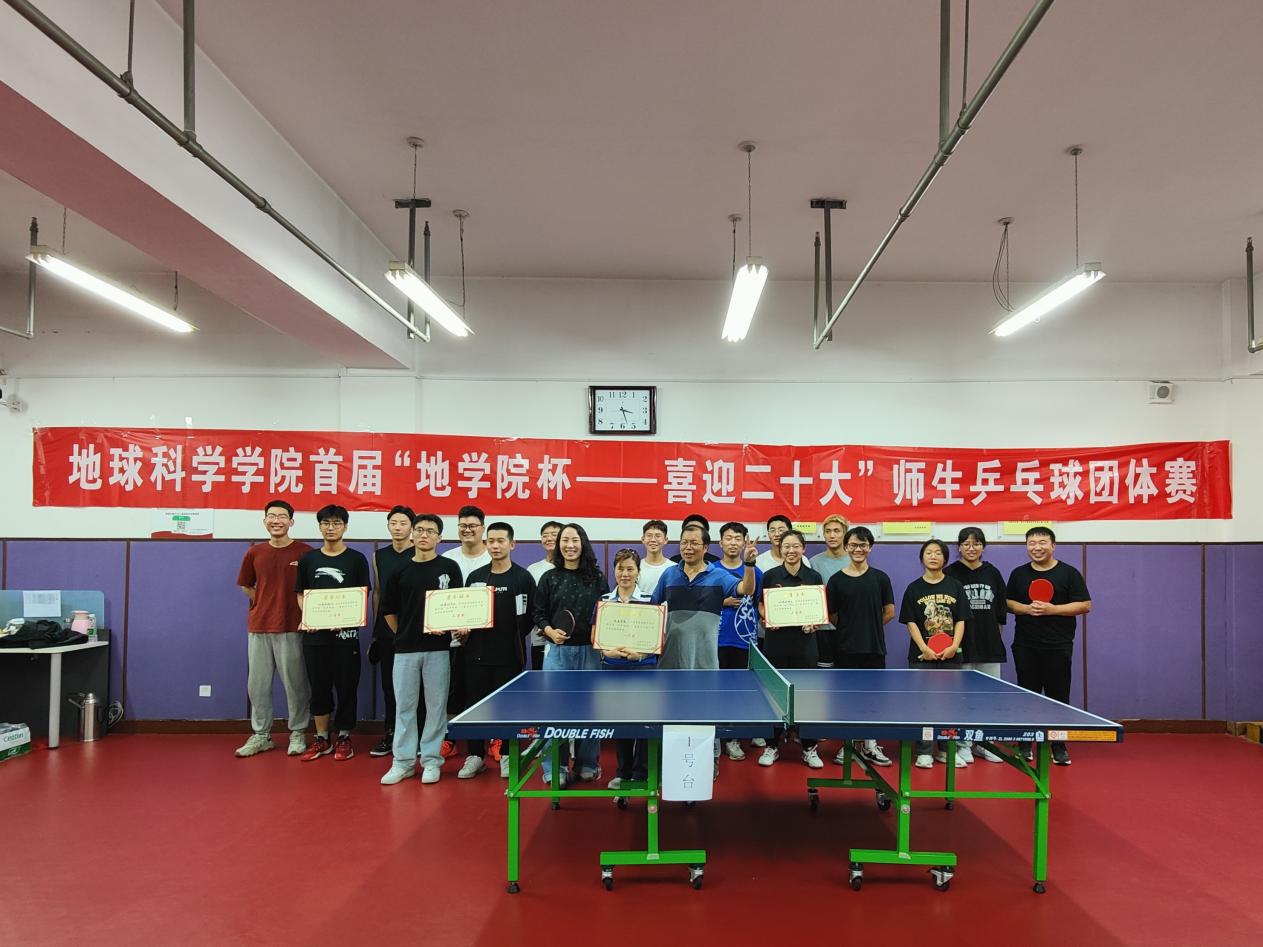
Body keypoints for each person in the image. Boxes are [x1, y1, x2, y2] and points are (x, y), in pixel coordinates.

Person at [379, 513, 464, 785]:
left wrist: (450, 626)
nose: (424, 535)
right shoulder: (399, 570)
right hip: (405, 650)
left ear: (439, 537)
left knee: (436, 707)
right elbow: (389, 611)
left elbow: (457, 605)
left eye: (430, 531)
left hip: (439, 649)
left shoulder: (450, 567)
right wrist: (404, 634)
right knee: (404, 707)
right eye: (419, 530)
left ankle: (431, 761)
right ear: (412, 534)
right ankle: (402, 762)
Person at [1005, 527, 1092, 766]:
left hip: (1058, 645)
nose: (1037, 547)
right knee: (1026, 695)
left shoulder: (1069, 573)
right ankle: (1024, 743)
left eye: (1042, 542)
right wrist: (1025, 608)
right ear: (1027, 546)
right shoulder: (1019, 574)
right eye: (1032, 543)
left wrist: (1053, 610)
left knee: (1058, 697)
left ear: (1053, 545)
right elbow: (1008, 602)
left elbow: (1085, 605)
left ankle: (1058, 745)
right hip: (1025, 645)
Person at [234, 499, 312, 758]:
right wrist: (262, 602)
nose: (276, 521)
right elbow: (245, 585)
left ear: (291, 521)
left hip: (292, 627)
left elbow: (312, 591)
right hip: (259, 627)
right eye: (272, 516)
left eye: (282, 516)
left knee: (296, 685)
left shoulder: (305, 552)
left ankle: (298, 732)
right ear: (264, 521)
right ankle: (261, 735)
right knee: (257, 686)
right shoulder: (255, 552)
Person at [533, 523, 609, 784]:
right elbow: (538, 612)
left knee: (591, 709)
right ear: (558, 545)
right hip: (558, 652)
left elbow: (605, 612)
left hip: (590, 652)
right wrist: (549, 631)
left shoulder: (597, 577)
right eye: (564, 540)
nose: (569, 545)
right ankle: (555, 767)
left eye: (574, 540)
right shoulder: (549, 578)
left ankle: (588, 762)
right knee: (555, 711)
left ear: (583, 543)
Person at [294, 505, 371, 762]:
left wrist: (345, 619)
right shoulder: (308, 559)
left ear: (345, 527)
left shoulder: (356, 559)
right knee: (319, 687)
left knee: (346, 686)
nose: (331, 528)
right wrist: (310, 617)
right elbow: (301, 594)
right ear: (319, 526)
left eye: (336, 523)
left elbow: (362, 595)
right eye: (326, 523)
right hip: (315, 637)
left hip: (345, 637)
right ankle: (321, 738)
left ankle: (344, 737)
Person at [461, 522, 536, 779]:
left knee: (509, 708)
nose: (495, 545)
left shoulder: (523, 578)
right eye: (490, 541)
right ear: (485, 544)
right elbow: (466, 613)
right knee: (475, 707)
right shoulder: (476, 577)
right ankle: (475, 756)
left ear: (512, 544)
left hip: (510, 656)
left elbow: (530, 616)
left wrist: (513, 639)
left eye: (500, 541)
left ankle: (506, 754)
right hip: (476, 655)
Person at [825, 526, 895, 767]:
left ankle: (869, 744)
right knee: (847, 699)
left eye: (863, 545)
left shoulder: (881, 578)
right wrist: (850, 629)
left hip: (874, 648)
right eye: (853, 545)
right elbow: (832, 614)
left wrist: (869, 626)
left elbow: (889, 612)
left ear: (870, 548)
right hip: (845, 648)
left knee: (872, 699)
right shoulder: (836, 580)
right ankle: (847, 746)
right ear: (846, 547)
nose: (858, 549)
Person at [899, 538, 971, 769]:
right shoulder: (914, 588)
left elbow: (961, 620)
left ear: (945, 558)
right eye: (929, 552)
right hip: (922, 656)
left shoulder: (955, 586)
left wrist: (953, 646)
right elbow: (910, 622)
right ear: (922, 557)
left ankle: (947, 750)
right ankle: (924, 751)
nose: (933, 556)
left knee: (949, 704)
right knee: (923, 703)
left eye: (938, 553)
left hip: (951, 655)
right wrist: (924, 648)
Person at [758, 530, 825, 769]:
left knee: (807, 696)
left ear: (803, 548)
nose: (791, 550)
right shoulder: (770, 576)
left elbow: (819, 610)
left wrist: (815, 622)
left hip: (805, 646)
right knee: (774, 696)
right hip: (776, 644)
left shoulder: (814, 576)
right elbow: (761, 605)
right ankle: (771, 745)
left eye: (795, 546)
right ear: (780, 548)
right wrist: (768, 617)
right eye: (786, 546)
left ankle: (809, 747)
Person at [652, 522, 756, 670]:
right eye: (684, 543)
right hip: (670, 660)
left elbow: (747, 589)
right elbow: (652, 607)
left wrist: (749, 564)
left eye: (694, 543)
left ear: (705, 547)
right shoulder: (669, 574)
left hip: (705, 663)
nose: (688, 547)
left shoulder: (719, 576)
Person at [944, 527, 1009, 763]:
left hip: (989, 647)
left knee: (988, 698)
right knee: (961, 698)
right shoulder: (950, 573)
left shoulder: (993, 573)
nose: (971, 548)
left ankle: (985, 743)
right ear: (959, 547)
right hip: (960, 647)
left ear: (983, 547)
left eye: (976, 544)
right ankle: (963, 744)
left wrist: (993, 640)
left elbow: (1000, 615)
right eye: (966, 544)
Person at [596, 548, 657, 790]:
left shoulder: (650, 600)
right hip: (613, 670)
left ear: (638, 572)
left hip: (644, 670)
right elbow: (595, 636)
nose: (625, 574)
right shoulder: (604, 600)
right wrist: (605, 652)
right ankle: (623, 772)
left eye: (630, 569)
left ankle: (641, 773)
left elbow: (656, 639)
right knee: (620, 724)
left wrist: (641, 654)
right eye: (620, 568)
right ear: (614, 571)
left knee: (643, 723)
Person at [368, 505, 415, 758]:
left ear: (412, 528)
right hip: (386, 630)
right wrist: (378, 630)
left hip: (413, 628)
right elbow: (377, 593)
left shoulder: (420, 552)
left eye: (403, 523)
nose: (398, 528)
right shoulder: (379, 556)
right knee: (389, 684)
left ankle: (416, 735)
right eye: (393, 523)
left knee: (415, 686)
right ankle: (391, 731)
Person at [443, 505, 492, 745]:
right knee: (452, 690)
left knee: (486, 691)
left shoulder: (493, 557)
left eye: (473, 525)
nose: (467, 530)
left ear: (482, 528)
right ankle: (450, 737)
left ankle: (493, 738)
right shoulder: (447, 559)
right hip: (451, 638)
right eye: (463, 525)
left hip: (485, 640)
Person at [714, 522, 763, 760]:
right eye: (728, 538)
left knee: (741, 691)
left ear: (744, 542)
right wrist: (722, 601)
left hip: (744, 640)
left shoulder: (755, 571)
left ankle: (734, 738)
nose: (733, 543)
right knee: (717, 691)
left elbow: (758, 602)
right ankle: (718, 736)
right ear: (720, 542)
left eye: (737, 538)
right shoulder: (711, 570)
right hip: (716, 640)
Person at [810, 513, 850, 669]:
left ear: (845, 533)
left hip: (847, 630)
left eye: (836, 531)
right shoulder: (813, 562)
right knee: (824, 675)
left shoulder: (854, 561)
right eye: (828, 531)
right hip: (821, 630)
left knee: (848, 675)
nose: (832, 535)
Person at [525, 521, 562, 670]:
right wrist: (543, 626)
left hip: (565, 637)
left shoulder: (572, 568)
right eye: (545, 535)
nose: (549, 538)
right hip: (540, 638)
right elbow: (531, 605)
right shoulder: (532, 569)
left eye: (554, 535)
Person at [636, 519, 672, 595]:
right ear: (643, 539)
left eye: (658, 536)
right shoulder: (636, 567)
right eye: (649, 536)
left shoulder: (674, 568)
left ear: (665, 540)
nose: (653, 540)